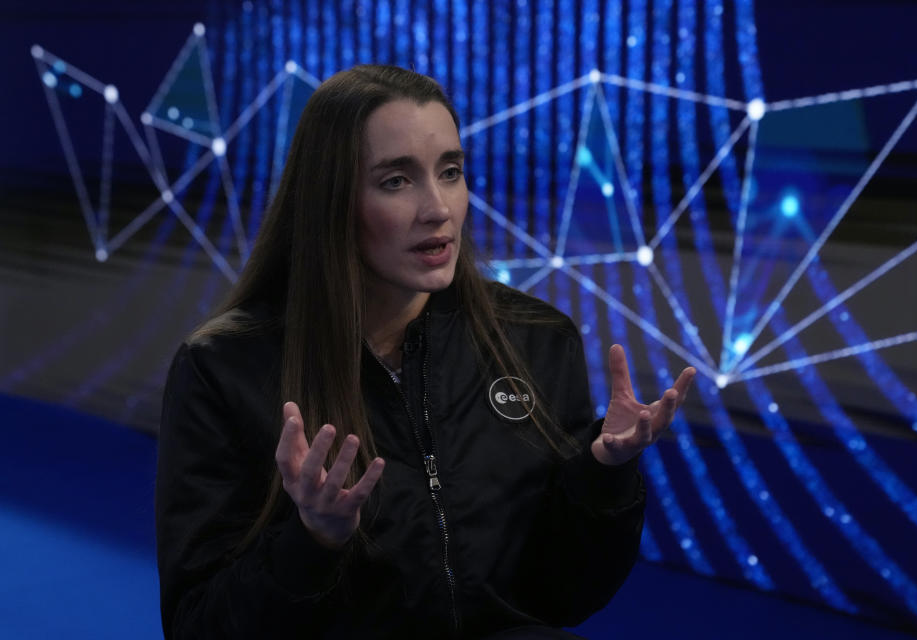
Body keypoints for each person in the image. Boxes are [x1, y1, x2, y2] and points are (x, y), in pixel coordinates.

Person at [155, 64, 695, 640]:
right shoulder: (224, 368)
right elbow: (199, 626)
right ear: (331, 200)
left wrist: (602, 475)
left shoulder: (536, 337)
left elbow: (562, 594)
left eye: (451, 172)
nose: (438, 208)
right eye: (396, 180)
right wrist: (311, 541)